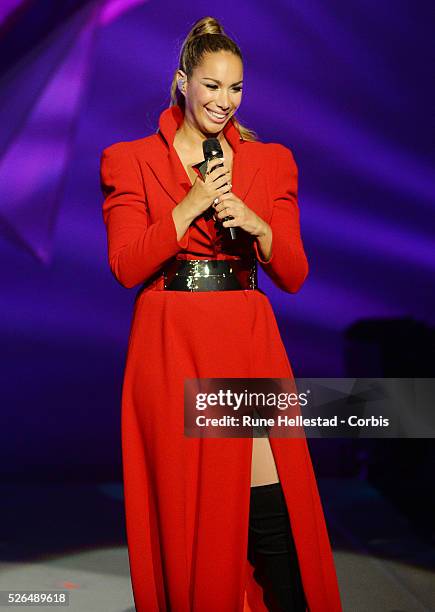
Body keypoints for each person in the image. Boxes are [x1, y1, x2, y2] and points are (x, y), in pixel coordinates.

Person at [100, 15, 342, 612]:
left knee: (270, 500)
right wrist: (191, 204)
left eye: (235, 89)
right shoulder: (127, 160)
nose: (224, 101)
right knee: (188, 516)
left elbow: (294, 273)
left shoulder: (271, 162)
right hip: (170, 343)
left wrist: (257, 224)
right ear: (182, 81)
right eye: (211, 86)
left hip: (245, 338)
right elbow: (127, 265)